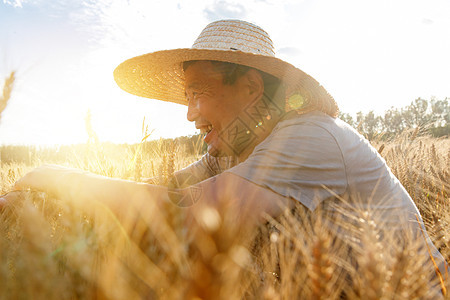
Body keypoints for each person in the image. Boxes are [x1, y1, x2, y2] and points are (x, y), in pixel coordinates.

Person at [1, 19, 446, 290]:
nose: (190, 115)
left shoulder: (309, 136)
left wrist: (53, 174)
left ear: (251, 88)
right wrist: (39, 199)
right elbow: (161, 189)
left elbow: (184, 213)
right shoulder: (234, 149)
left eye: (198, 94)